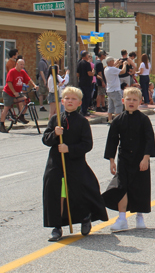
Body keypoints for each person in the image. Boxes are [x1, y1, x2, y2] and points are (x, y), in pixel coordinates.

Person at [42, 86, 108, 241]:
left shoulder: (82, 122)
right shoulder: (55, 119)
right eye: (67, 98)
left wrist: (69, 149)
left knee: (80, 192)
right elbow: (46, 139)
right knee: (56, 193)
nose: (70, 101)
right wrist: (54, 134)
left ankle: (85, 217)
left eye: (73, 99)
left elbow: (87, 144)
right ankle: (56, 226)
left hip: (75, 163)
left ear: (79, 103)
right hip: (56, 163)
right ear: (62, 101)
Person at [103, 87, 155, 231]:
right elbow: (112, 141)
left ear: (139, 102)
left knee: (140, 186)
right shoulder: (118, 120)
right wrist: (111, 160)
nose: (131, 102)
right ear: (123, 101)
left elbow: (149, 140)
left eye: (134, 100)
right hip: (124, 159)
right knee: (122, 187)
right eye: (128, 99)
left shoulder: (144, 120)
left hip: (140, 159)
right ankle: (122, 218)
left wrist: (146, 158)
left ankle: (139, 216)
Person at [0, 58, 38, 132]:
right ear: (17, 64)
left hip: (17, 93)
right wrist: (14, 92)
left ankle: (21, 116)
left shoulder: (22, 72)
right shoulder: (12, 72)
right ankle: (1, 124)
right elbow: (9, 83)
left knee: (26, 100)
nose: (22, 66)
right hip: (8, 93)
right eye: (21, 64)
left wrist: (34, 85)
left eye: (23, 65)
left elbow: (29, 79)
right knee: (6, 108)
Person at [104, 57, 128, 125]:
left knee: (111, 106)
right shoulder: (112, 69)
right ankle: (118, 121)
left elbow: (115, 69)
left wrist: (118, 64)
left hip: (109, 90)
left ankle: (110, 120)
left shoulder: (106, 69)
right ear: (110, 61)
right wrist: (124, 64)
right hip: (115, 90)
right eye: (113, 61)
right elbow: (123, 71)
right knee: (118, 105)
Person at [76, 51, 94, 117]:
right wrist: (93, 73)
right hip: (87, 83)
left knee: (83, 97)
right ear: (86, 56)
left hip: (81, 82)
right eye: (88, 55)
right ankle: (84, 111)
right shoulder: (87, 64)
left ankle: (82, 110)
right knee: (87, 97)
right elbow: (89, 73)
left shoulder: (79, 63)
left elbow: (77, 74)